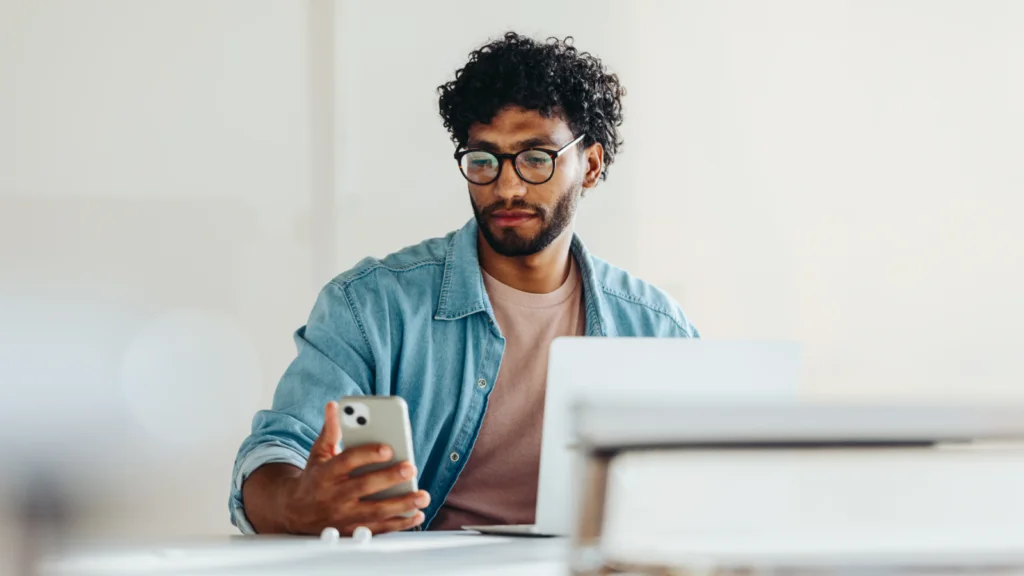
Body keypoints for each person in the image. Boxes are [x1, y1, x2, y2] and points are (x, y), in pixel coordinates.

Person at [230, 31, 698, 535]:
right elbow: (276, 451)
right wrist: (295, 502)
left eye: (536, 158)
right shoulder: (372, 306)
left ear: (590, 165)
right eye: (483, 160)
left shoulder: (655, 326)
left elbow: (704, 484)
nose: (507, 186)